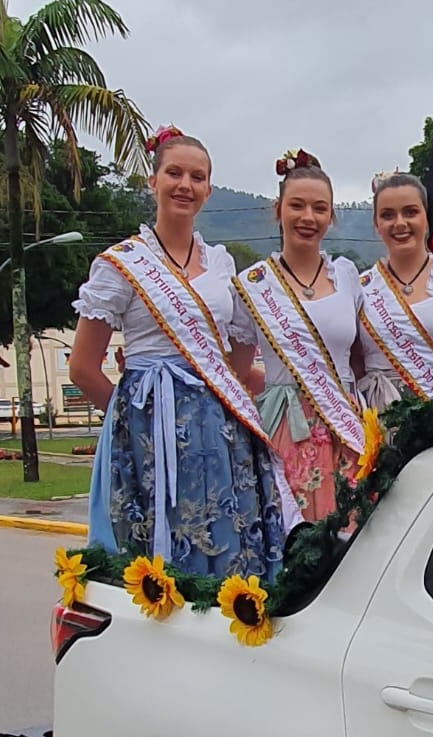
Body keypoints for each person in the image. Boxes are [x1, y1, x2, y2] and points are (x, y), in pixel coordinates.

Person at [68, 126, 295, 577]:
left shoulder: (221, 263)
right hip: (153, 430)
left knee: (228, 539)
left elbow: (236, 350)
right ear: (153, 181)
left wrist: (220, 397)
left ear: (209, 189)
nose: (185, 185)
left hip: (219, 430)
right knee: (162, 546)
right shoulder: (120, 265)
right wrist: (131, 420)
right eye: (174, 173)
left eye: (197, 177)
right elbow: (81, 367)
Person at [228, 151, 367, 523]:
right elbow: (237, 374)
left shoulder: (347, 276)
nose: (308, 217)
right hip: (285, 429)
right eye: (297, 206)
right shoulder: (253, 285)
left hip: (346, 425)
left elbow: (358, 358)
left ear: (332, 215)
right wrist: (280, 388)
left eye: (320, 208)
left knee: (353, 535)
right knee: (295, 538)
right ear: (278, 209)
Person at [355, 171, 433, 405]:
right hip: (381, 418)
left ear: (426, 217)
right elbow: (353, 361)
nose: (400, 223)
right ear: (376, 224)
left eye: (410, 212)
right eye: (388, 215)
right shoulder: (359, 289)